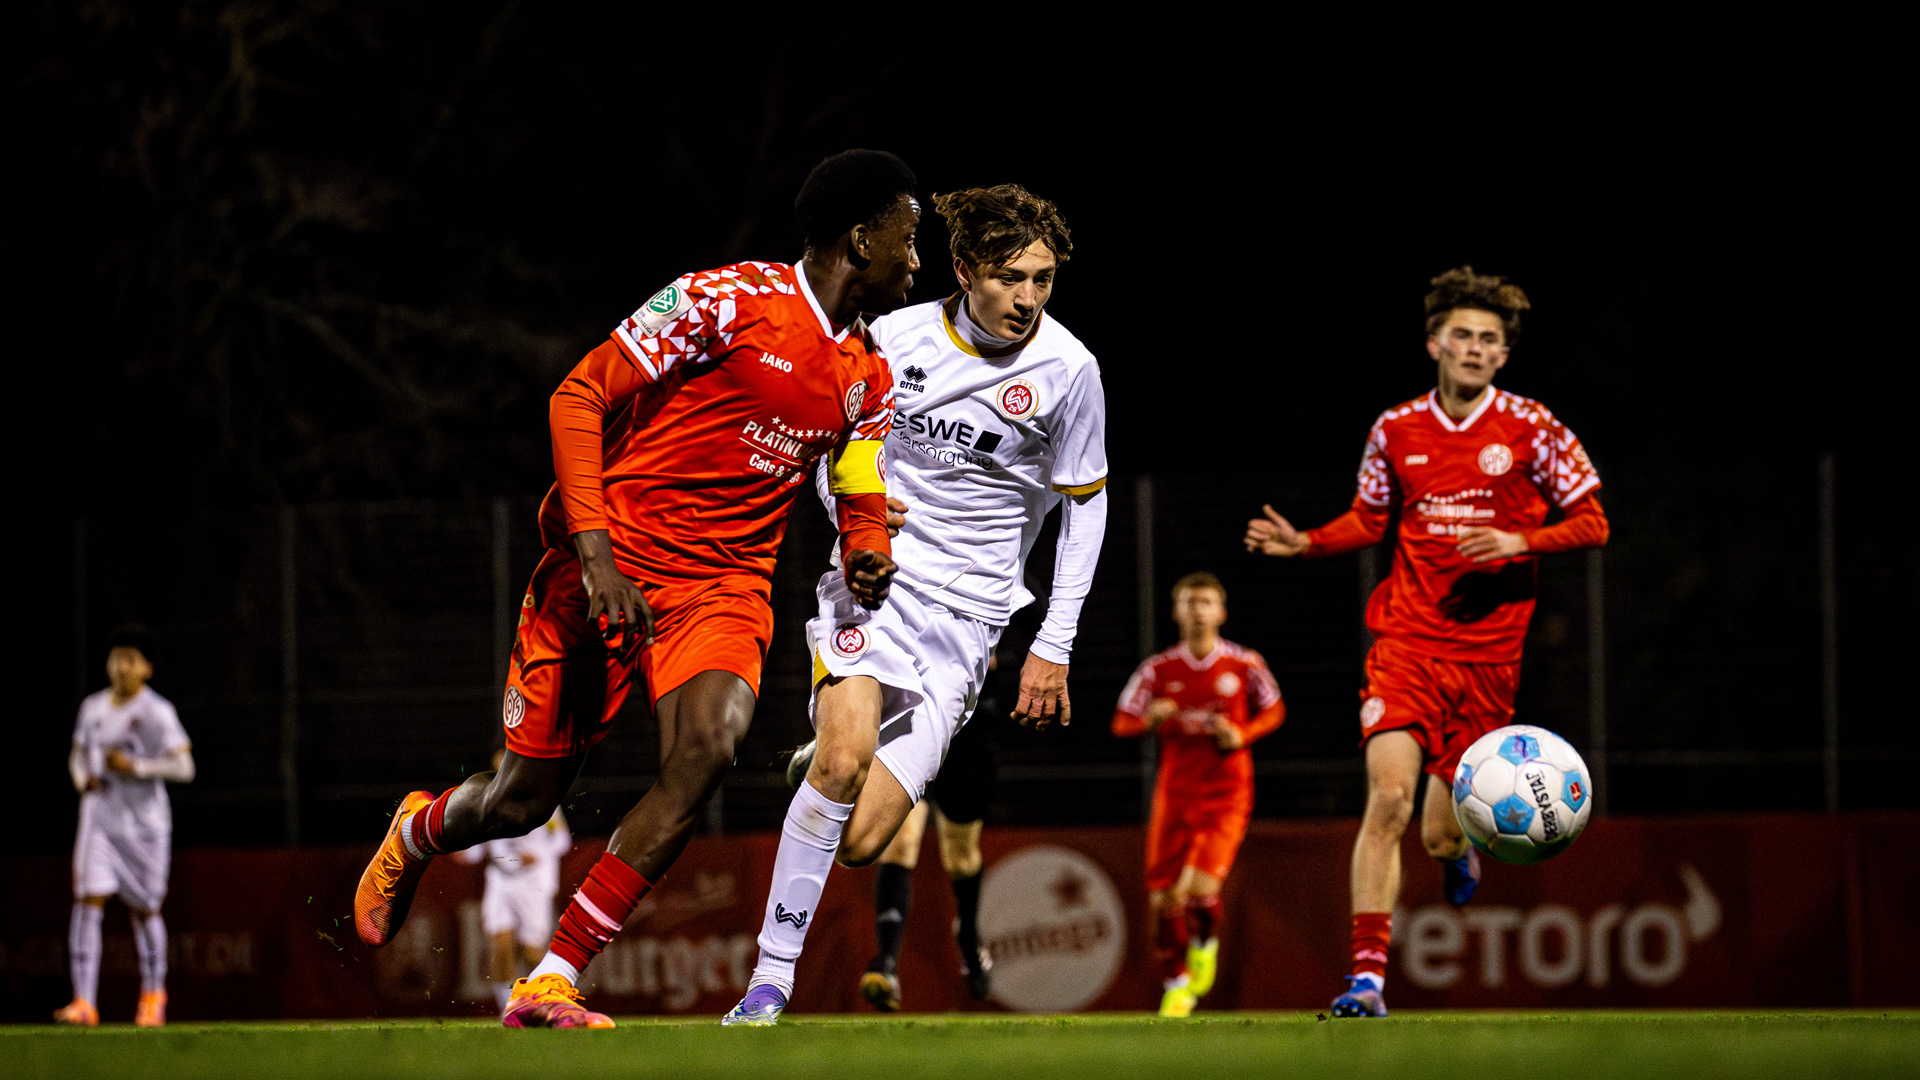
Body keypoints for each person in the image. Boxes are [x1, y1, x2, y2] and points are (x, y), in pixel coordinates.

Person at [353, 148, 918, 1030]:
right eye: (907, 241)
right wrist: (597, 560)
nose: (916, 263)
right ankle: (419, 829)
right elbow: (577, 397)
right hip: (604, 566)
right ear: (860, 240)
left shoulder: (869, 373)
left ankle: (551, 978)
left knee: (708, 750)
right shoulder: (723, 300)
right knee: (519, 803)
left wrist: (868, 543)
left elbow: (856, 475)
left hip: (723, 588)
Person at [724, 183, 1106, 1025]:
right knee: (842, 760)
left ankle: (821, 763)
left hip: (969, 627)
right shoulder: (892, 339)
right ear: (964, 269)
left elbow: (1086, 508)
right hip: (878, 588)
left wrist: (1054, 643)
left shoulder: (1070, 370)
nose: (1029, 298)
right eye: (1010, 278)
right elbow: (825, 446)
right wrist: (853, 517)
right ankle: (769, 983)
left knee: (863, 841)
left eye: (1043, 279)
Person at [1243, 266, 1609, 1018]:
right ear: (1434, 343)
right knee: (1388, 800)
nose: (1475, 348)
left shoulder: (1533, 428)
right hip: (1405, 644)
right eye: (1462, 335)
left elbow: (1594, 521)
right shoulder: (1395, 429)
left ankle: (1458, 851)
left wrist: (1519, 540)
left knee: (1441, 836)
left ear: (1503, 354)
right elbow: (1370, 519)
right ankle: (1367, 983)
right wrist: (1308, 543)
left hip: (1488, 661)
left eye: (1489, 340)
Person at [1112, 573, 1283, 1018]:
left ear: (1221, 612)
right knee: (1164, 899)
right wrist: (1150, 719)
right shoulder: (1157, 669)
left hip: (1227, 793)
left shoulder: (1245, 664)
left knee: (1200, 891)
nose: (1197, 611)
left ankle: (1204, 943)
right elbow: (1121, 722)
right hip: (1175, 795)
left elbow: (1274, 709)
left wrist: (1242, 734)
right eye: (1189, 603)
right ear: (1176, 612)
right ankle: (1176, 985)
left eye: (1206, 602)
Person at [56, 625, 195, 1028]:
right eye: (117, 657)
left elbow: (185, 767)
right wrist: (82, 779)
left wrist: (136, 767)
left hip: (143, 827)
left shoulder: (157, 712)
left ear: (147, 668)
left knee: (145, 909)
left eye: (131, 659)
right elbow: (77, 755)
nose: (121, 667)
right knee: (87, 900)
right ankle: (84, 1001)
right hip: (98, 819)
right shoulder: (93, 707)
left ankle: (153, 997)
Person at [856, 652, 1003, 1011]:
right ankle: (885, 965)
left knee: (961, 856)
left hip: (968, 722)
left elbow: (1026, 635)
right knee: (900, 841)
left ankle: (968, 933)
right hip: (911, 714)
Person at [453, 751, 573, 1015]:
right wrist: (462, 851)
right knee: (500, 944)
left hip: (533, 882)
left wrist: (537, 854)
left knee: (531, 952)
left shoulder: (543, 800)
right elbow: (478, 846)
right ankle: (506, 1008)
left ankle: (547, 999)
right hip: (500, 879)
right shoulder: (487, 803)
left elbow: (562, 841)